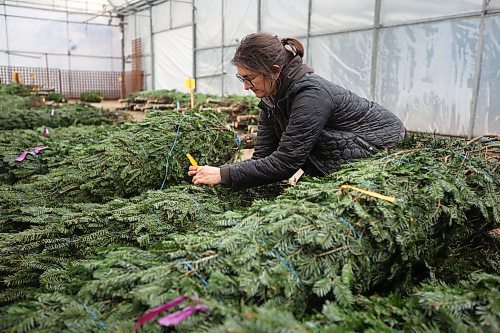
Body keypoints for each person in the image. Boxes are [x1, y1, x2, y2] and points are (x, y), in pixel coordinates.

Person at [189, 32, 405, 191]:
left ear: (274, 71)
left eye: (249, 78)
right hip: (349, 144)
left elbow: (286, 163)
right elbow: (262, 157)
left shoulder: (310, 95)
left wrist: (224, 175)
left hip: (380, 144)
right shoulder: (270, 100)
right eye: (241, 78)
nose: (245, 86)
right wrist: (218, 172)